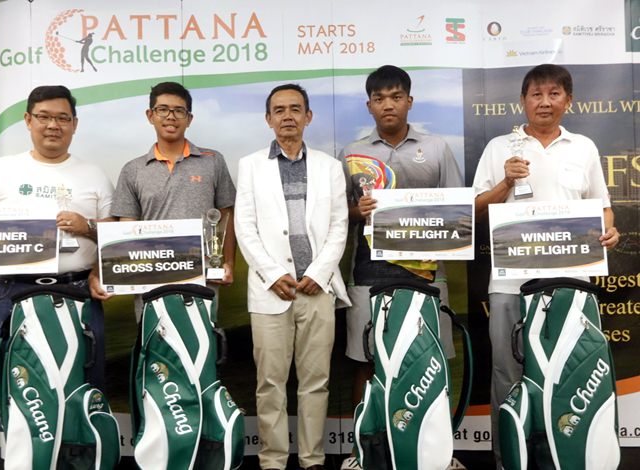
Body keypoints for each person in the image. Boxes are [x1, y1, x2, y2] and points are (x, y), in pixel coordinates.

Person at [472, 63, 620, 468]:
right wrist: (505, 183)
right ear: (523, 101)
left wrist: (610, 232)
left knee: (568, 370)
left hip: (571, 283)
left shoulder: (584, 147)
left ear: (568, 101)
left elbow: (603, 208)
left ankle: (565, 456)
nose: (544, 102)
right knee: (507, 374)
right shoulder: (500, 147)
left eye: (554, 94)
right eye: (536, 94)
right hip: (510, 285)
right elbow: (473, 212)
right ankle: (507, 460)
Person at [0, 85, 114, 430]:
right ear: (28, 120)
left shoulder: (94, 173)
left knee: (82, 393)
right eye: (44, 117)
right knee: (17, 393)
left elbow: (114, 238)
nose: (53, 125)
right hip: (14, 294)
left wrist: (89, 226)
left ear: (74, 124)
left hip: (78, 294)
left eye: (62, 118)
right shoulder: (1, 169)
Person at [337, 65, 463, 470]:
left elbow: (457, 209)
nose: (388, 105)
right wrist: (359, 210)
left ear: (409, 101)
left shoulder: (438, 147)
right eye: (379, 98)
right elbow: (340, 215)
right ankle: (364, 451)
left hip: (428, 271)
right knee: (366, 359)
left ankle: (439, 452)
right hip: (369, 270)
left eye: (396, 97)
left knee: (431, 358)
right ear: (369, 105)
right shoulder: (352, 154)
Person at [234, 83, 350, 470]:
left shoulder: (330, 167)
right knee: (270, 383)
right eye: (279, 110)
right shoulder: (250, 165)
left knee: (316, 381)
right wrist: (272, 274)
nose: (287, 116)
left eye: (295, 109)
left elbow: (339, 225)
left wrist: (319, 272)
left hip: (317, 290)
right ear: (268, 119)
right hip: (272, 291)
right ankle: (272, 460)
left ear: (308, 117)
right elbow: (245, 228)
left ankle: (313, 458)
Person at [90, 81, 236, 309]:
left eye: (179, 111)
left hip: (202, 280)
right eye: (163, 110)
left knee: (202, 341)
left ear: (189, 119)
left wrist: (228, 264)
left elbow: (226, 217)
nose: (171, 117)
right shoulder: (133, 169)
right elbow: (128, 230)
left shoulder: (213, 161)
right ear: (150, 115)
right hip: (150, 283)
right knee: (154, 342)